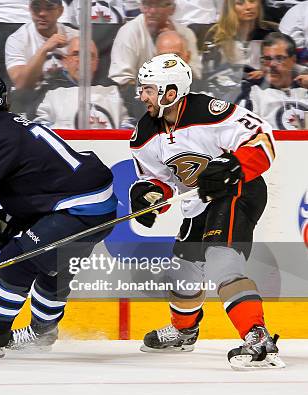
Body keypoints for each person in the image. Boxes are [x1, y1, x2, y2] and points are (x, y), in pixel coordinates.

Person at [0, 72, 118, 358]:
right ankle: (42, 333)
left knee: (17, 259)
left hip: (79, 207)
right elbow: (42, 183)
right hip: (94, 202)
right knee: (53, 262)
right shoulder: (14, 126)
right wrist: (11, 219)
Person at [130, 53, 285, 369]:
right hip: (198, 201)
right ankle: (184, 331)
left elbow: (262, 138)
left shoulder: (209, 111)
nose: (141, 95)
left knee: (220, 260)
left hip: (237, 190)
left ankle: (257, 337)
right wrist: (149, 196)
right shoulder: (145, 133)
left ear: (170, 92)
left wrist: (235, 165)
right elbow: (160, 181)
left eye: (148, 89)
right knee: (182, 268)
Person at [34, 37, 130, 129]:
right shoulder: (52, 95)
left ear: (96, 63)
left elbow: (128, 126)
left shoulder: (113, 93)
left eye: (89, 55)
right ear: (65, 62)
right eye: (76, 54)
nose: (82, 61)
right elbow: (40, 129)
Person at [108, 0, 203, 87]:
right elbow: (122, 81)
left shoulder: (186, 34)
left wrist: (175, 44)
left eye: (159, 5)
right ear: (140, 7)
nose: (152, 11)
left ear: (172, 9)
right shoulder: (129, 33)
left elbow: (196, 78)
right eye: (147, 4)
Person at [237, 32, 308, 130]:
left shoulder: (305, 88)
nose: (272, 64)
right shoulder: (250, 91)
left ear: (293, 60)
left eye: (279, 58)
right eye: (267, 59)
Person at [5, 0, 78, 91]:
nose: (42, 13)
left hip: (68, 95)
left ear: (60, 11)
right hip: (32, 100)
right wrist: (44, 49)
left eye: (49, 7)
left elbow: (87, 76)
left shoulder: (75, 37)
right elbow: (21, 85)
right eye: (36, 8)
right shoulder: (17, 40)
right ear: (30, 10)